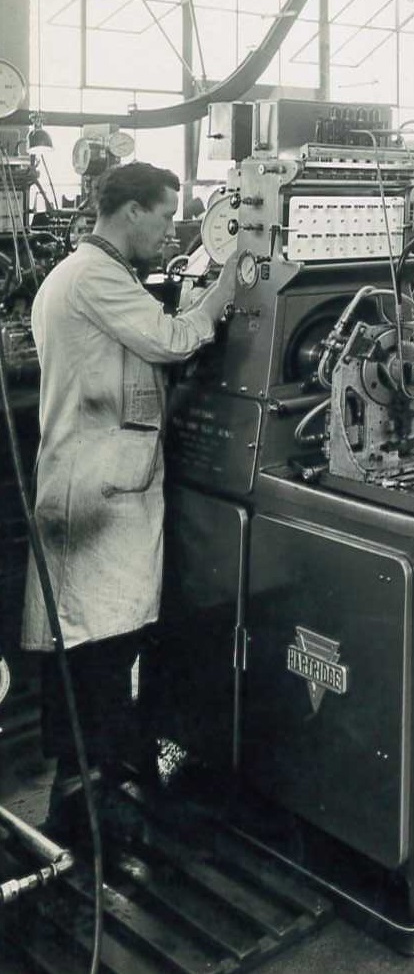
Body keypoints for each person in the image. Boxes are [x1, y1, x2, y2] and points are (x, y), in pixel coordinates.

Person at [23, 162, 237, 831]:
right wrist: (236, 277)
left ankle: (96, 777)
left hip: (105, 483)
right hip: (97, 494)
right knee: (99, 650)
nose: (172, 229)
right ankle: (93, 799)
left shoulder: (90, 276)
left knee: (101, 645)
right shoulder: (94, 277)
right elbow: (171, 338)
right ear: (130, 212)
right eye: (166, 215)